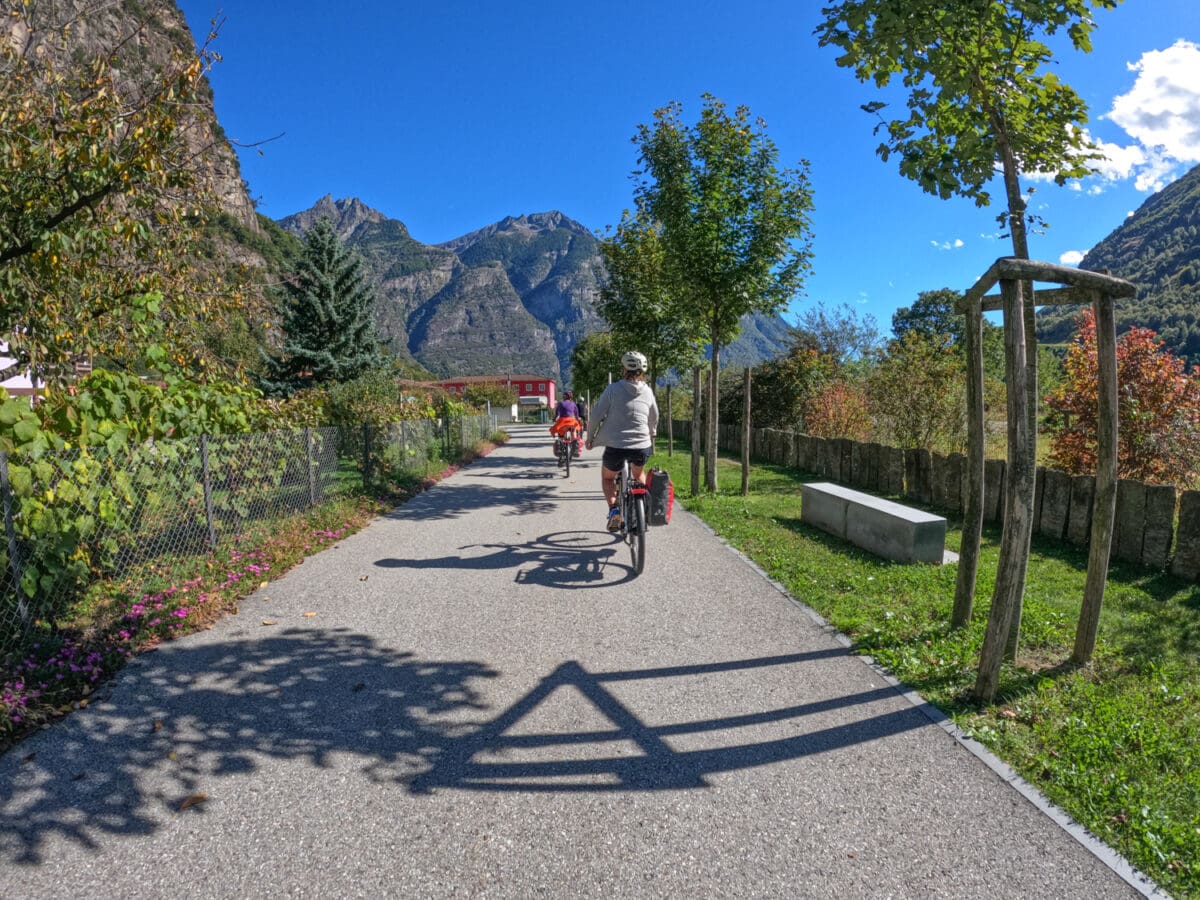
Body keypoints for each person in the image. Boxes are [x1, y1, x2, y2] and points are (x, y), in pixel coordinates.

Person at [585, 350, 658, 532]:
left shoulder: (613, 389)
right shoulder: (648, 391)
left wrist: (590, 438)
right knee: (638, 474)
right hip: (641, 446)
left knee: (608, 478)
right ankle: (642, 508)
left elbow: (595, 416)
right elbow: (654, 416)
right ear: (643, 371)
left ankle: (614, 509)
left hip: (616, 447)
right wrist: (652, 432)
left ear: (624, 369)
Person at [549, 390, 583, 462]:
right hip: (571, 421)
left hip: (562, 422)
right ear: (571, 397)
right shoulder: (573, 404)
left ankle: (560, 443)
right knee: (573, 430)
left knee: (561, 434)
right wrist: (578, 420)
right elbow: (577, 416)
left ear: (564, 397)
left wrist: (554, 419)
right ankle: (575, 444)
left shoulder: (560, 403)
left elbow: (557, 414)